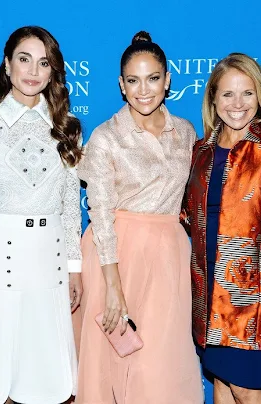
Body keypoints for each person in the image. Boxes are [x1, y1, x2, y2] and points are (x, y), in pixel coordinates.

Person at [0, 26, 84, 404]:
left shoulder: (65, 126)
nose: (32, 71)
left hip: (50, 257)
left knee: (48, 379)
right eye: (24, 59)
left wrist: (75, 267)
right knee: (0, 378)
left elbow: (71, 204)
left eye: (43, 63)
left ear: (52, 71)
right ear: (7, 64)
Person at [75, 31, 204, 404]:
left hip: (169, 257)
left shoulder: (186, 131)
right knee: (111, 365)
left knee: (160, 367)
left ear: (168, 80)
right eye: (133, 81)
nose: (143, 90)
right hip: (114, 255)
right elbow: (99, 214)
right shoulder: (105, 137)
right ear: (121, 84)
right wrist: (113, 287)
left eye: (152, 79)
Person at [183, 52, 261, 404]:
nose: (237, 104)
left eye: (247, 93)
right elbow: (188, 217)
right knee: (221, 383)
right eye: (227, 94)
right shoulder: (201, 151)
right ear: (213, 98)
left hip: (256, 297)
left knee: (243, 387)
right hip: (208, 293)